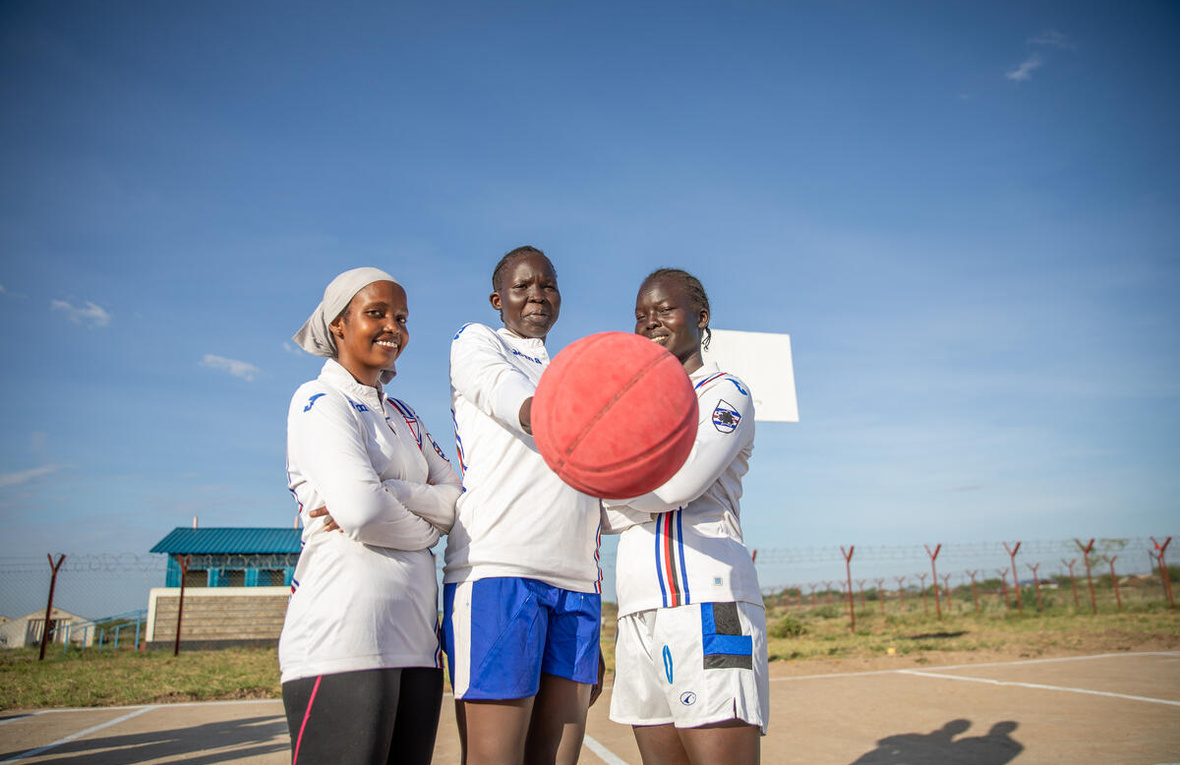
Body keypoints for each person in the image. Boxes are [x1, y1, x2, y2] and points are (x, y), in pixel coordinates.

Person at [281, 267, 462, 765]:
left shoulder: (403, 414)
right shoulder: (319, 400)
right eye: (376, 313)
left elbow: (456, 498)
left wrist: (393, 490)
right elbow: (361, 512)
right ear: (338, 324)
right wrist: (424, 529)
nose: (393, 328)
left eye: (401, 318)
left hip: (418, 644)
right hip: (344, 640)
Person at [442, 246, 603, 765]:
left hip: (578, 584)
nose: (537, 294)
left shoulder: (572, 368)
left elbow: (599, 479)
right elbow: (505, 394)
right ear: (498, 299)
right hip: (498, 574)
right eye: (523, 286)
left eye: (548, 285)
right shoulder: (477, 342)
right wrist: (563, 413)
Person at [602, 268, 768, 765]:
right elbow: (602, 516)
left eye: (664, 309)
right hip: (636, 611)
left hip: (710, 604)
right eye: (640, 315)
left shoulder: (724, 393)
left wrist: (613, 485)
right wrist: (630, 493)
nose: (651, 322)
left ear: (701, 317)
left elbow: (676, 486)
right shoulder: (631, 409)